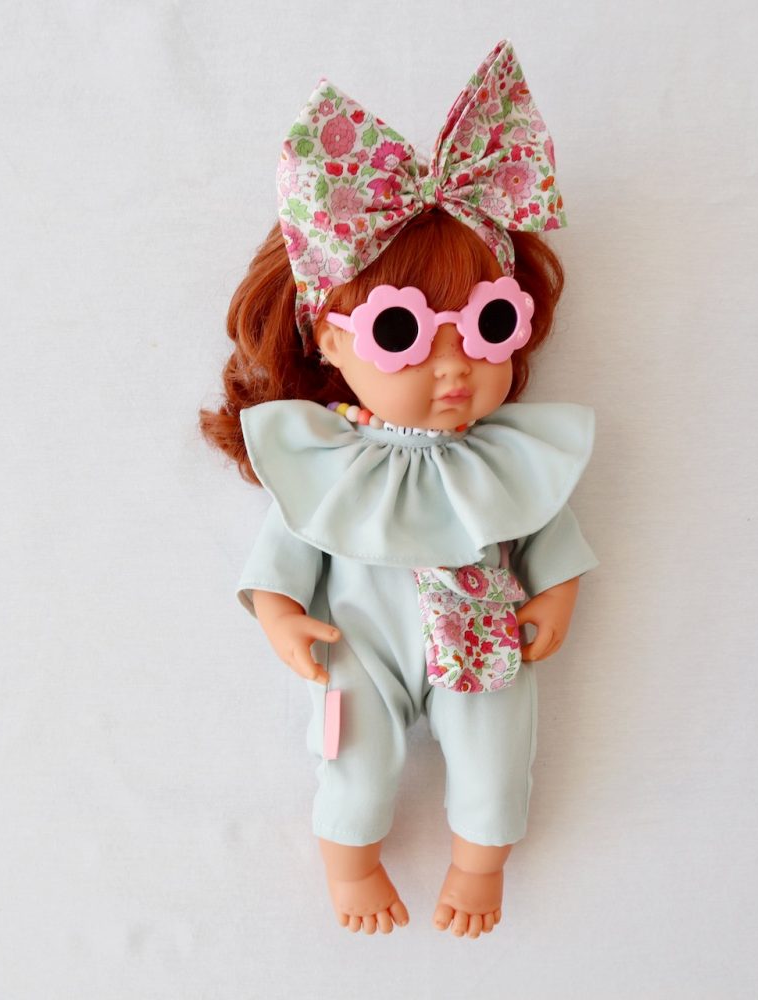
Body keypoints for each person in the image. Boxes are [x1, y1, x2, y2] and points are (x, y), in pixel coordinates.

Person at [200, 39, 599, 938]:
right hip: (357, 644)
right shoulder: (327, 457)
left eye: (487, 326)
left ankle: (479, 865)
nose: (453, 370)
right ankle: (350, 864)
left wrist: (557, 596)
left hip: (483, 636)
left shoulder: (506, 454)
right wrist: (280, 615)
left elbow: (546, 530)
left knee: (498, 753)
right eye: (403, 335)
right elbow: (288, 546)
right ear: (329, 340)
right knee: (352, 754)